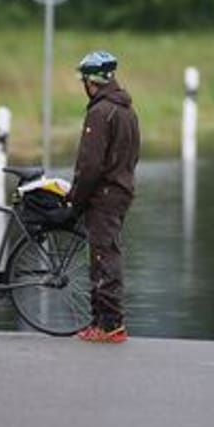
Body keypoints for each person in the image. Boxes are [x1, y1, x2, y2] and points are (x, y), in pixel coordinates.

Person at [68, 50, 140, 344]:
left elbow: (89, 165)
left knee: (103, 256)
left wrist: (75, 200)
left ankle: (110, 325)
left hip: (105, 196)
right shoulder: (126, 110)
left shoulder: (100, 112)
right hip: (121, 190)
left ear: (91, 81)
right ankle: (102, 322)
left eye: (84, 79)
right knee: (105, 252)